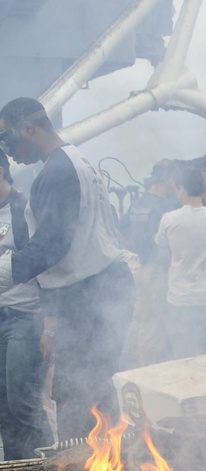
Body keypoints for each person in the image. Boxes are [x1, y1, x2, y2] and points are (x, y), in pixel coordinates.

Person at [0, 97, 135, 442]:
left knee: (78, 398)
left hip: (92, 294)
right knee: (90, 393)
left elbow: (51, 247)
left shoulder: (56, 172)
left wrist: (4, 269)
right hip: (97, 290)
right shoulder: (76, 161)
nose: (8, 151)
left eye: (8, 140)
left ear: (28, 129)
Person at [0, 150, 49, 459]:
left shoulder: (24, 209)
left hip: (24, 317)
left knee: (23, 402)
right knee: (4, 405)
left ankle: (45, 470)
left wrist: (50, 325)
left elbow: (45, 261)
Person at [155, 167, 206, 358]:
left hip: (181, 298)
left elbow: (162, 250)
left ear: (181, 189)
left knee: (184, 354)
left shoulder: (169, 220)